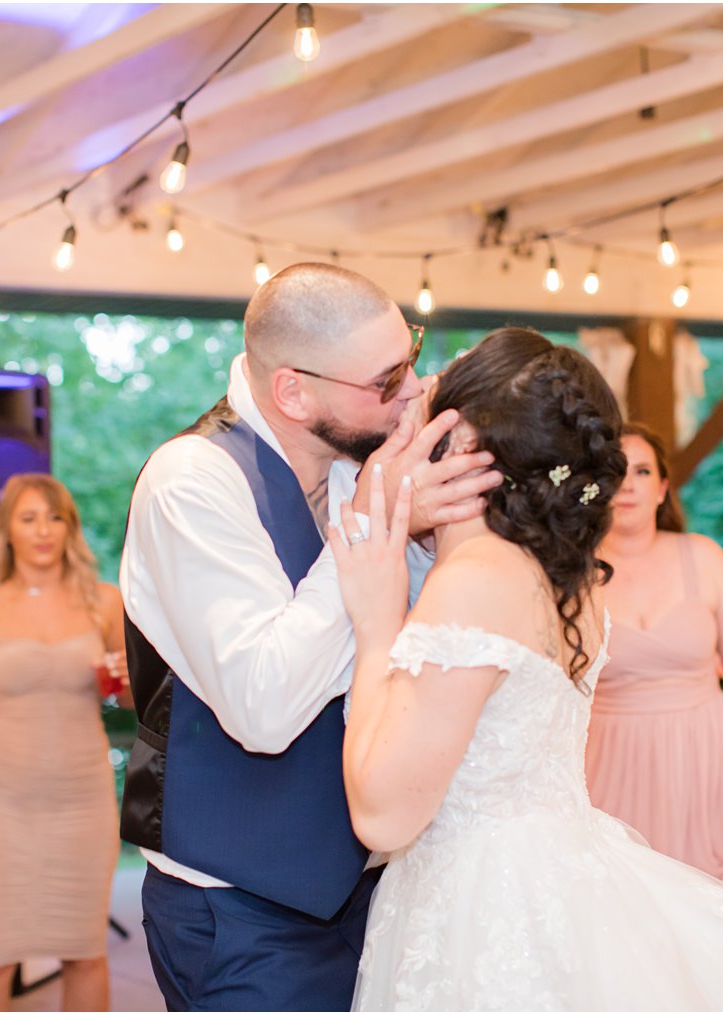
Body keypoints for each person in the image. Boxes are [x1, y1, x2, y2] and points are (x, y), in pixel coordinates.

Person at [333, 328, 723, 1010]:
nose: (415, 394)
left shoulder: (477, 579)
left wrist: (374, 624)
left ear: (468, 442)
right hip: (564, 877)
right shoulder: (570, 578)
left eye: (435, 390)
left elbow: (384, 818)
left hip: (485, 906)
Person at [119, 262, 500, 1011]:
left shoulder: (362, 472)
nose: (415, 393)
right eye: (387, 381)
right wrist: (374, 526)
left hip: (385, 894)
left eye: (412, 360)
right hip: (242, 913)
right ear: (294, 390)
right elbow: (265, 707)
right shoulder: (192, 483)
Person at [582, 421, 723, 984]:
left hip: (702, 760)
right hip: (611, 761)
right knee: (620, 914)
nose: (628, 484)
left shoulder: (704, 558)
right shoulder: (575, 569)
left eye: (644, 471)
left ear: (662, 488)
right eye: (615, 471)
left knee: (703, 907)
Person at [0, 473, 128, 1011]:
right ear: (8, 532)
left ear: (69, 528)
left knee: (84, 949)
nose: (43, 530)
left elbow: (129, 699)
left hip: (83, 796)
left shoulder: (104, 602)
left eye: (54, 518)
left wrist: (118, 680)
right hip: (3, 799)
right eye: (28, 519)